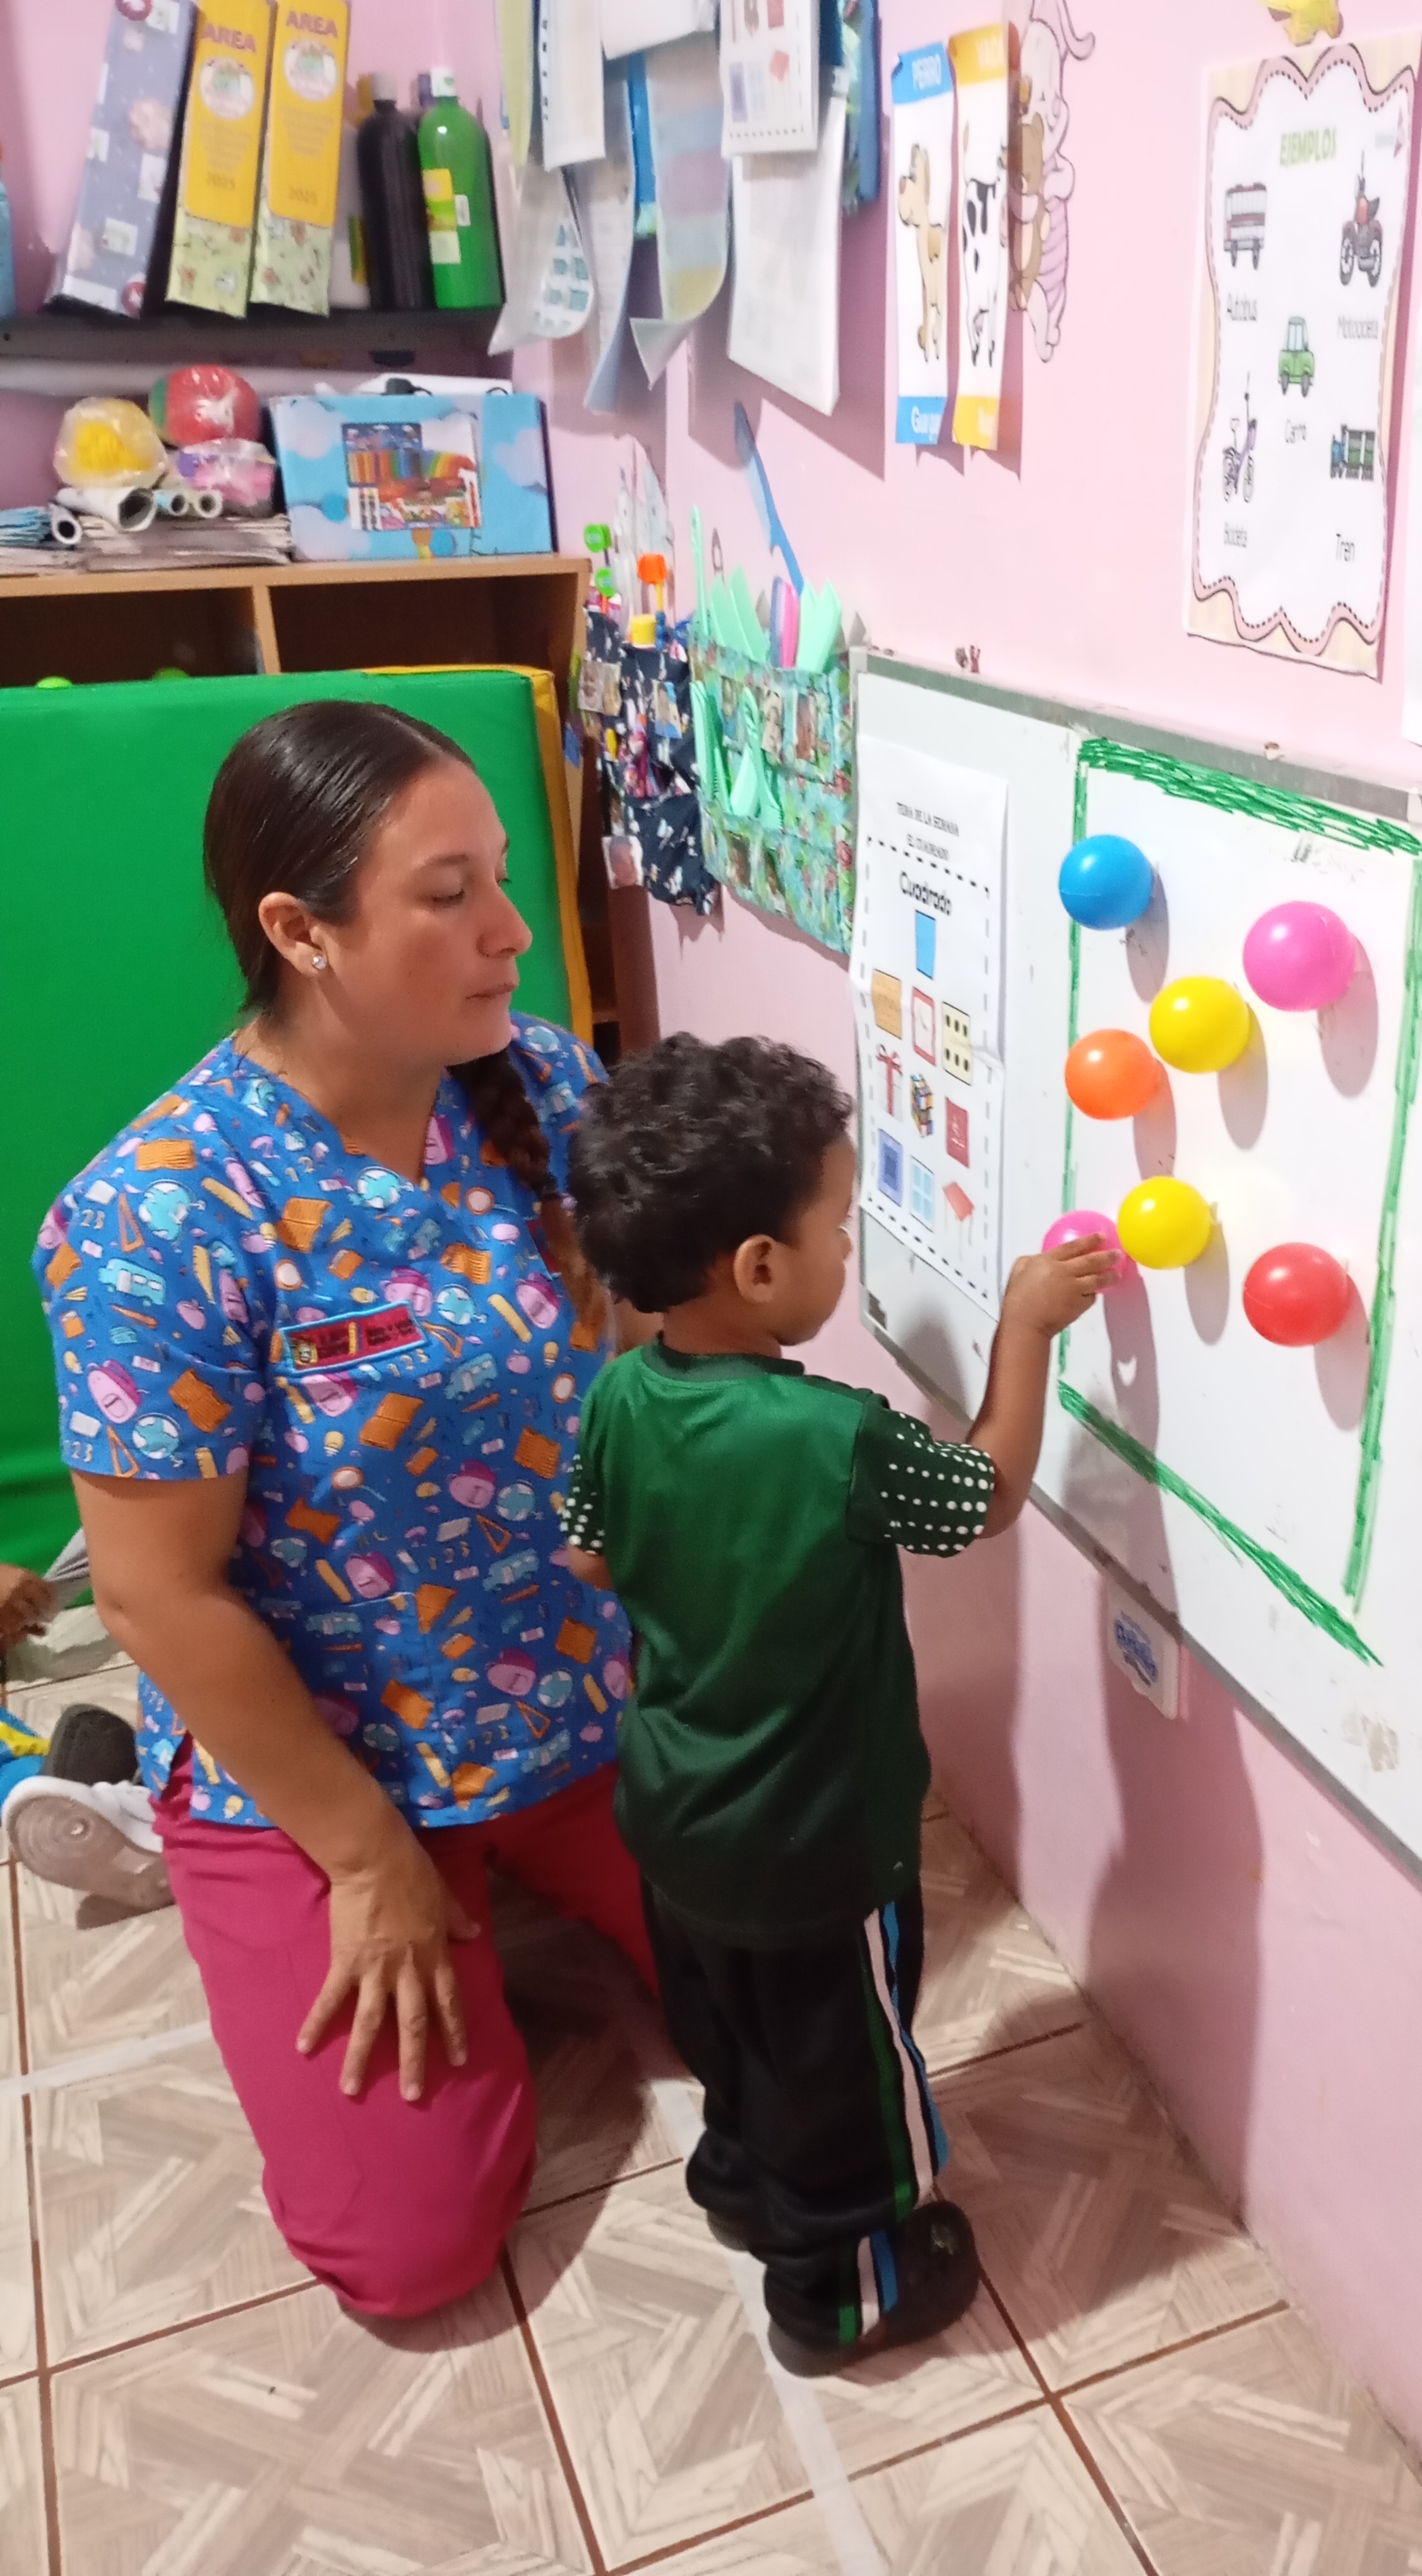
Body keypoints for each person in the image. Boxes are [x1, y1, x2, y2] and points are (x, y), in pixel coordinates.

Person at [32, 700, 657, 2319]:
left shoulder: (539, 1081)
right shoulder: (159, 1218)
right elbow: (156, 1594)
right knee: (407, 2252)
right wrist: (368, 1854)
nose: (513, 931)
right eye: (450, 894)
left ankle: (514, 1876)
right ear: (301, 932)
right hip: (329, 1761)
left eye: (501, 877)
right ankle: (207, 1845)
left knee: (812, 1981)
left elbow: (643, 1356)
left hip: (576, 1695)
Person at [561, 1033, 1114, 2371]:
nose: (850, 1247)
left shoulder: (620, 1394)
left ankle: (740, 2183)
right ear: (759, 1268)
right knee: (847, 2077)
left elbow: (589, 1558)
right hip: (814, 1845)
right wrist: (1026, 1329)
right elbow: (982, 1498)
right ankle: (842, 2293)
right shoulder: (833, 1438)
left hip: (675, 1817)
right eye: (839, 1225)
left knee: (734, 2027)